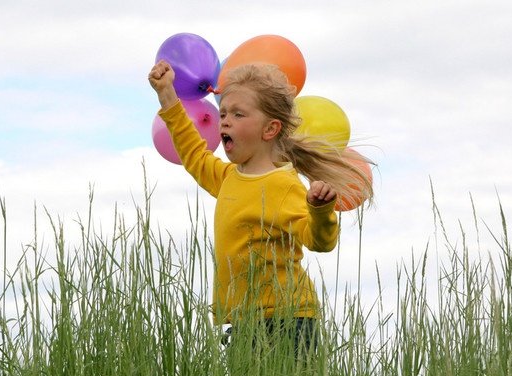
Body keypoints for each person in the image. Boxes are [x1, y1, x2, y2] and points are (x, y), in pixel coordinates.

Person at [148, 60, 373, 358]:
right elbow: (192, 152)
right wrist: (167, 94)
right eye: (224, 113)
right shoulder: (229, 179)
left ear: (270, 129)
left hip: (287, 320)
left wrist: (320, 211)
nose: (224, 121)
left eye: (238, 114)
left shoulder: (283, 185)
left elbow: (320, 242)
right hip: (243, 322)